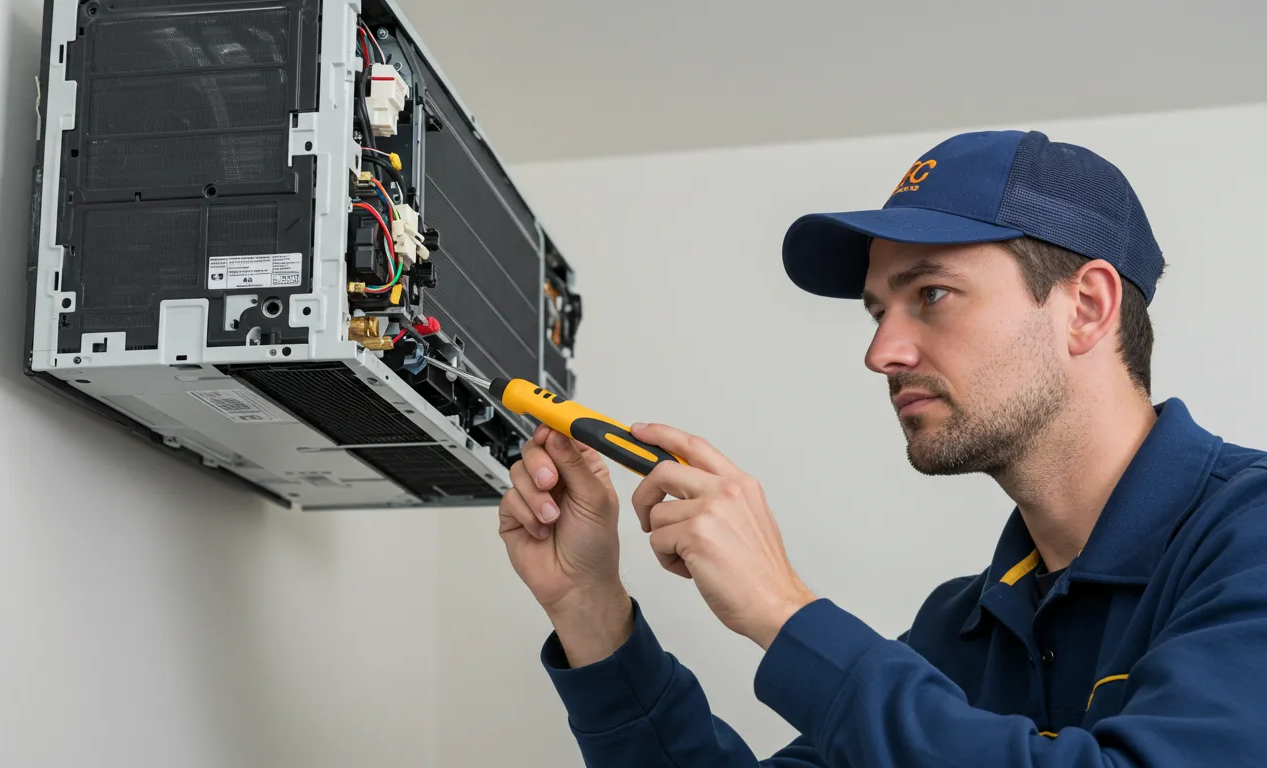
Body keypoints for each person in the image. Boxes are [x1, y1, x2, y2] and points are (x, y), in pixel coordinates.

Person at [496, 129, 1267, 766]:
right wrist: (590, 608)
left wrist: (784, 613)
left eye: (931, 294)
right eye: (877, 312)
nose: (882, 353)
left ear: (1087, 307)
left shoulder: (1248, 537)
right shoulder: (964, 627)